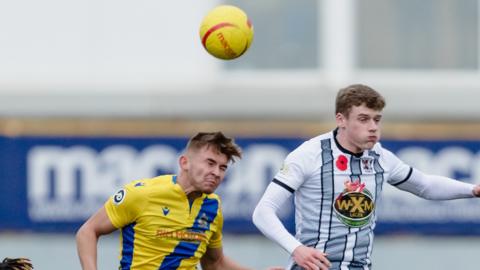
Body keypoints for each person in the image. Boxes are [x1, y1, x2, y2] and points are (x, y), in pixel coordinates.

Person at [252, 84, 480, 270]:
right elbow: (263, 212)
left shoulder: (381, 156)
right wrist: (296, 249)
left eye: (377, 120)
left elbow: (425, 186)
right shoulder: (309, 155)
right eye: (363, 119)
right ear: (341, 119)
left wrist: (473, 189)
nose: (373, 127)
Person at [76, 132, 251, 270]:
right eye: (210, 163)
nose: (217, 173)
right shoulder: (142, 194)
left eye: (222, 167)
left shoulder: (213, 206)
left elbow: (214, 264)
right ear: (184, 163)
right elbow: (87, 231)